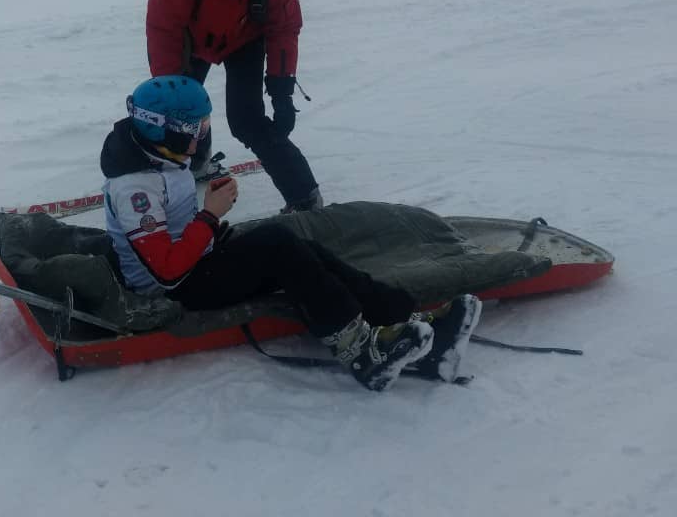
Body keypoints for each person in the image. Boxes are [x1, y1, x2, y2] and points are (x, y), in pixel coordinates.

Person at [101, 75, 482, 391]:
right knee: (279, 245)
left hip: (195, 259)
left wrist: (208, 221)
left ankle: (408, 320)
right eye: (197, 129)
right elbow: (167, 271)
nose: (203, 137)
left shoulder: (161, 155)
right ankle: (361, 351)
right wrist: (209, 217)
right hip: (171, 289)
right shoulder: (136, 188)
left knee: (302, 249)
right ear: (166, 131)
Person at [146, 0, 321, 212]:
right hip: (193, 40)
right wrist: (171, 97)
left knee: (248, 121)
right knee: (185, 110)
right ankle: (196, 163)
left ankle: (305, 198)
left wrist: (282, 93)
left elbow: (285, 29)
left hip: (244, 38)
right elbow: (163, 33)